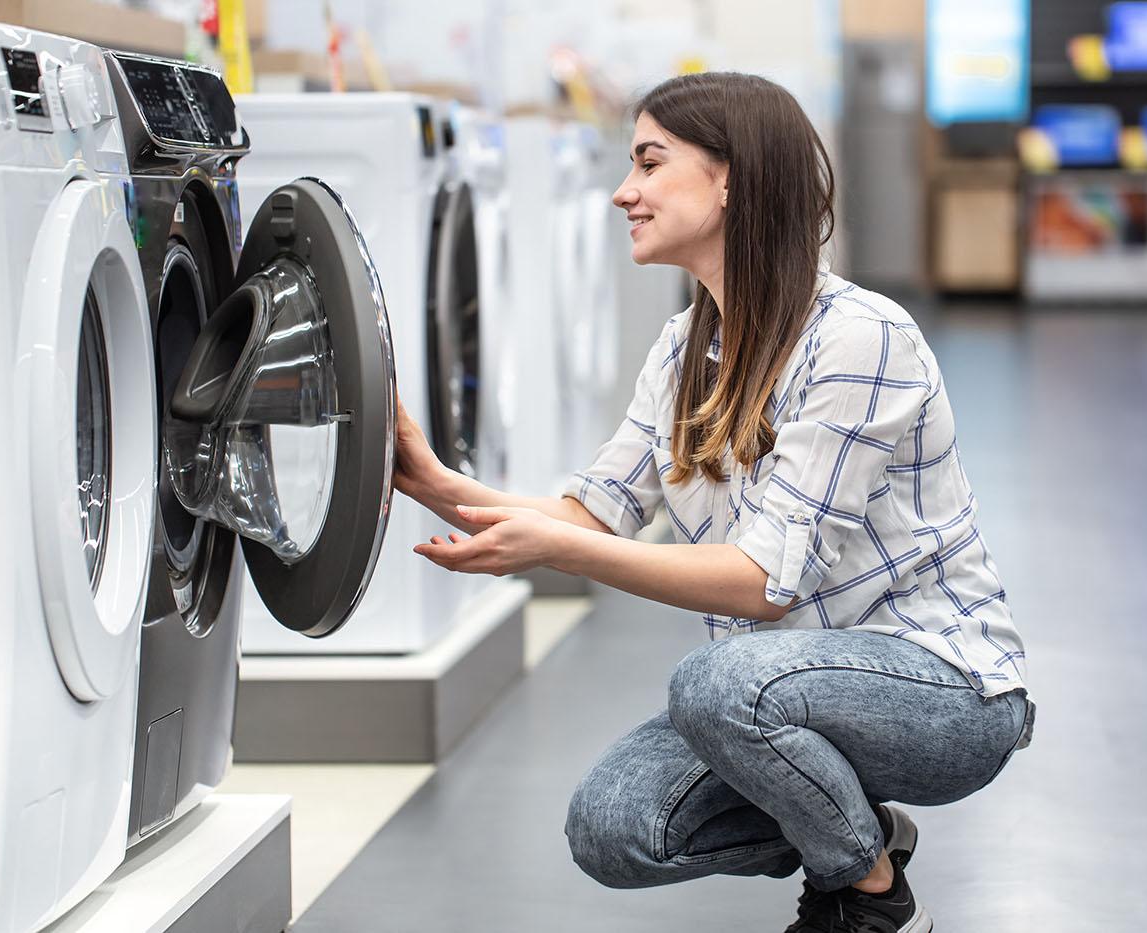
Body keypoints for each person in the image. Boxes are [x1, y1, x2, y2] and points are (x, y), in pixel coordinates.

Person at [392, 71, 1034, 933]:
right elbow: (593, 511)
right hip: (781, 687)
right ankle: (864, 833)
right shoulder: (682, 350)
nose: (625, 191)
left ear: (729, 177)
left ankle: (870, 899)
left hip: (945, 691)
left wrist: (557, 553)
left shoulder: (860, 336)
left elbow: (762, 584)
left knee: (716, 682)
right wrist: (436, 482)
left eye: (651, 164)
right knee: (613, 825)